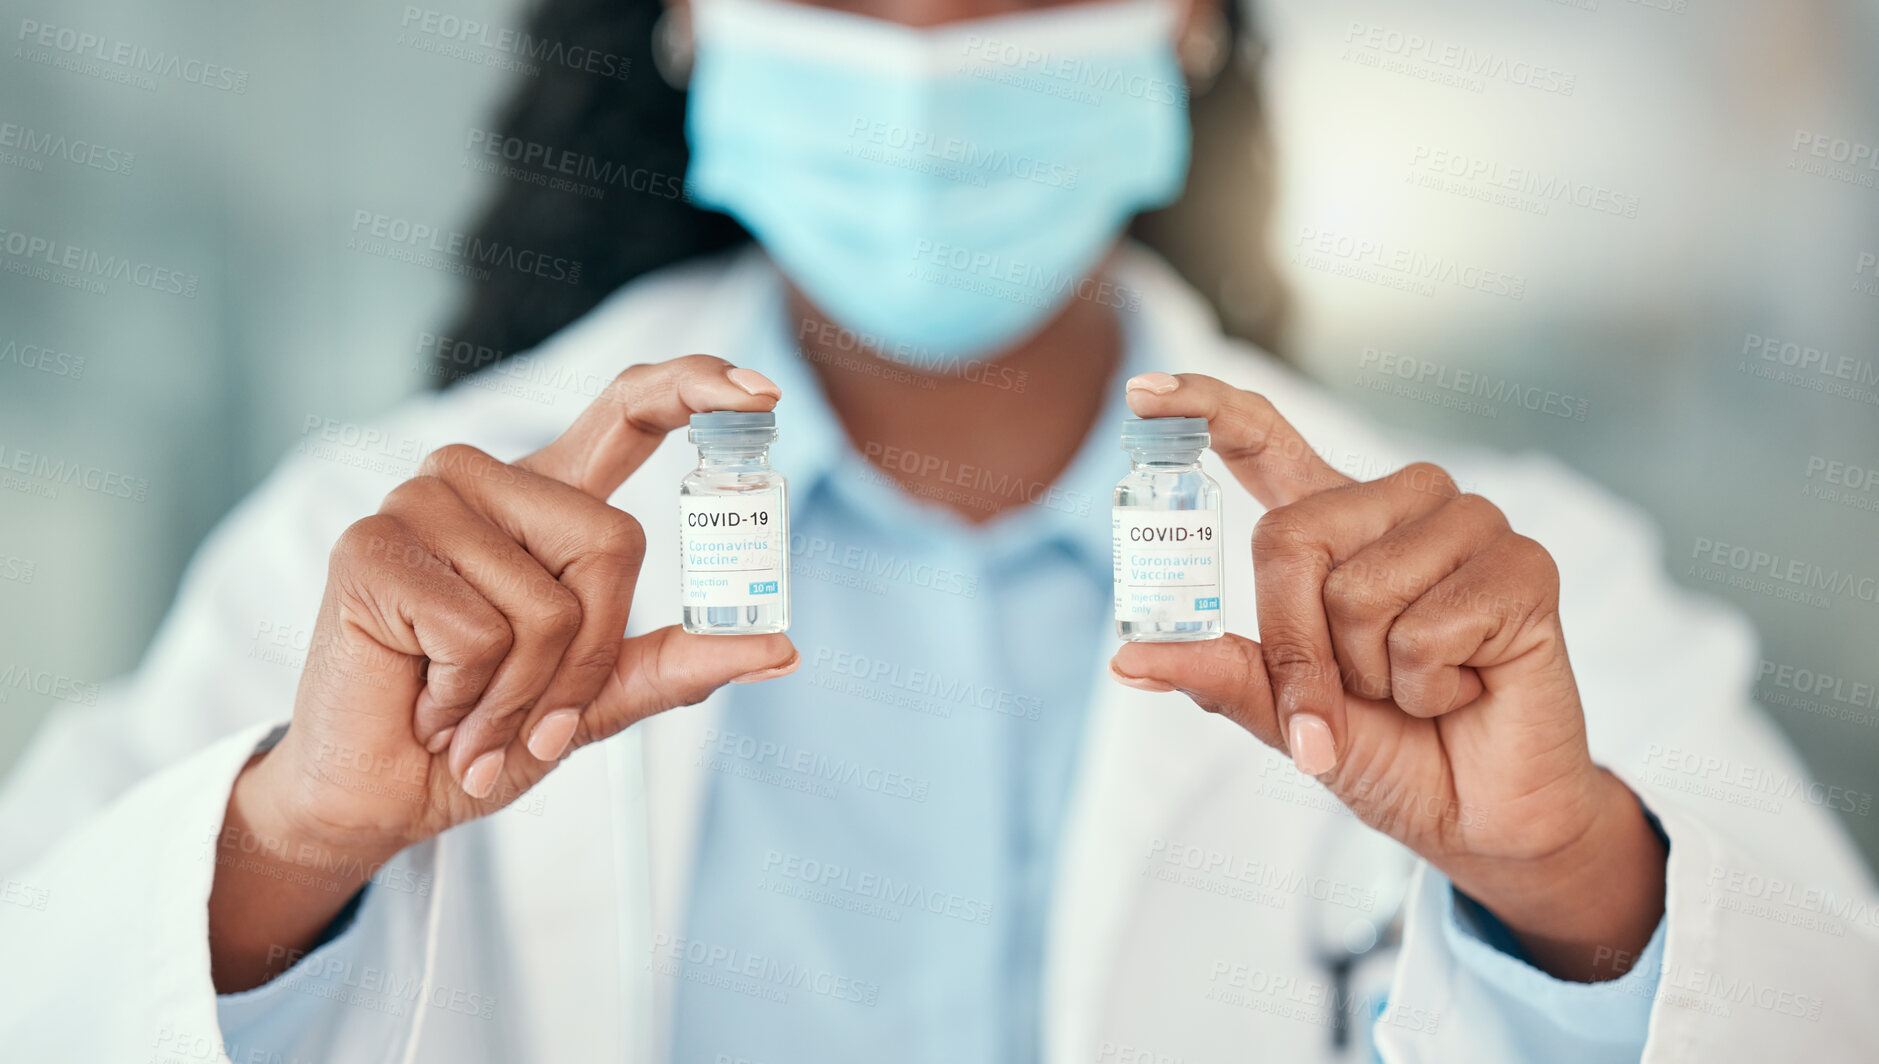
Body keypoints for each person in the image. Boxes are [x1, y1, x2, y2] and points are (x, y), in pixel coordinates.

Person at [1, 0, 1874, 1060]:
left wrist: (1568, 892)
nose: (918, 39)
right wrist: (292, 845)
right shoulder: (378, 547)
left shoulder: (1509, 594)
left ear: (1194, 25)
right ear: (681, 21)